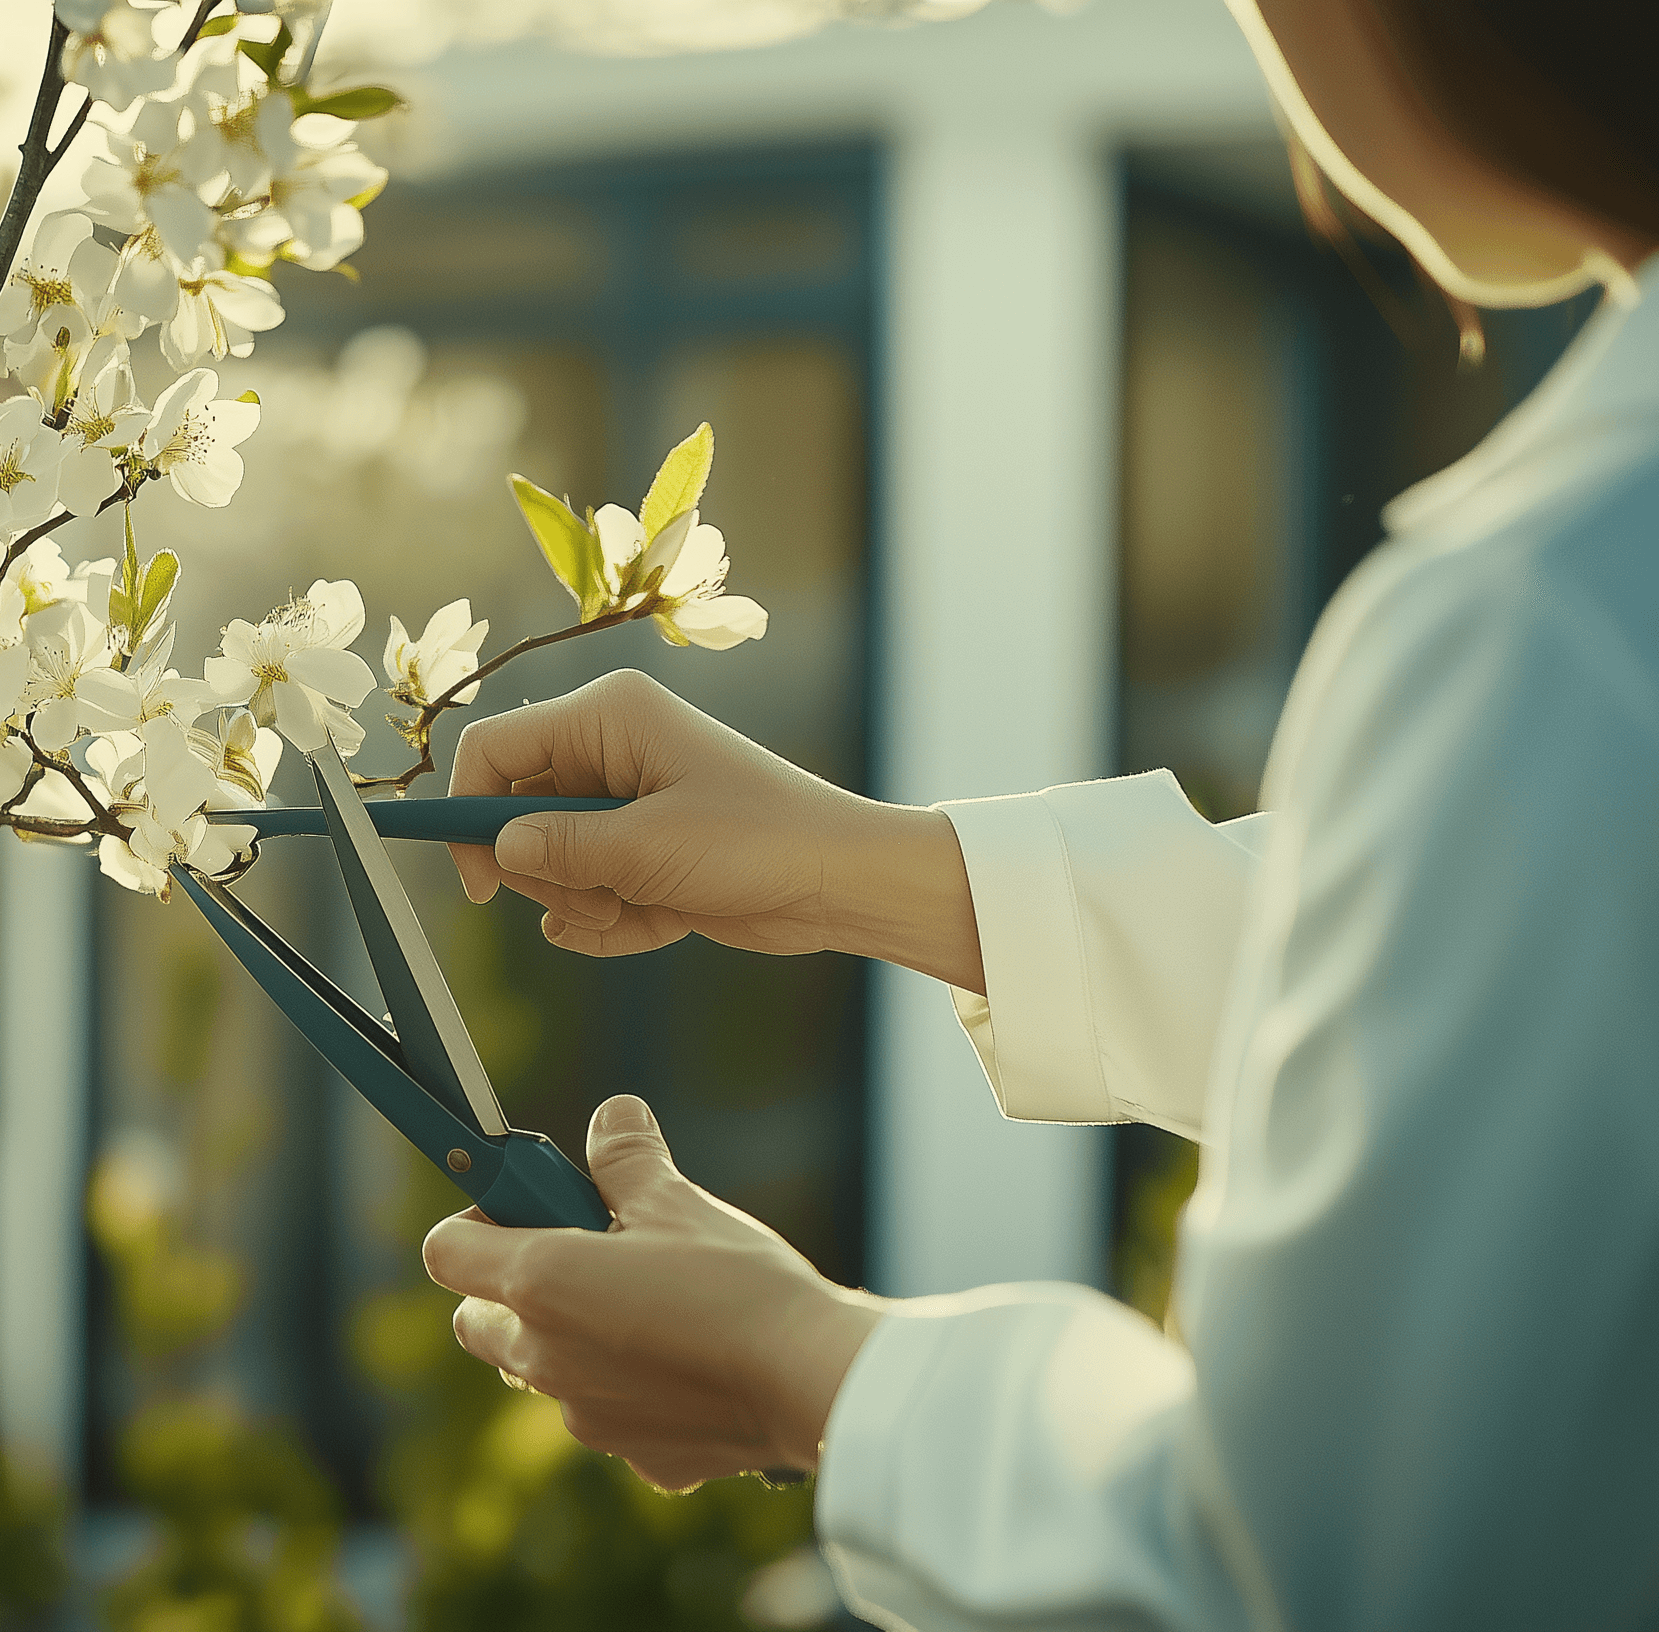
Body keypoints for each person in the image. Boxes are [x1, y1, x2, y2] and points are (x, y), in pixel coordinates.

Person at [416, 1, 1659, 1627]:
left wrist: (812, 1372)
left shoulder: (1548, 624)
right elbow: (1514, 965)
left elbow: (1294, 1575)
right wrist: (876, 874)